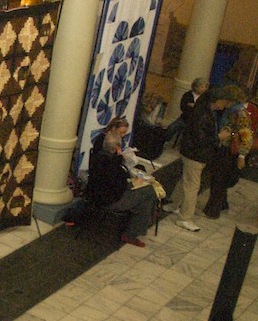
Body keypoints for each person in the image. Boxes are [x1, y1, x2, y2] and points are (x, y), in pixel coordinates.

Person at [84, 117, 158, 247]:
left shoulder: (99, 159)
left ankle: (140, 218)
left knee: (143, 200)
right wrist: (133, 183)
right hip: (109, 200)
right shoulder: (113, 165)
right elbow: (119, 187)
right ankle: (133, 231)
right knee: (149, 192)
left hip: (96, 195)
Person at [164, 87, 227, 231]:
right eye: (225, 101)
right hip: (195, 154)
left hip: (195, 153)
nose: (226, 104)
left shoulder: (207, 111)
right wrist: (219, 137)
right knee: (192, 186)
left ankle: (173, 204)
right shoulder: (203, 114)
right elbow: (200, 139)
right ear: (217, 101)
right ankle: (185, 218)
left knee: (186, 180)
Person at [203, 86, 252, 219]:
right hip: (223, 147)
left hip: (229, 150)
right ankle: (222, 204)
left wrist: (242, 155)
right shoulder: (230, 110)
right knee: (219, 178)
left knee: (219, 180)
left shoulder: (240, 113)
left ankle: (213, 210)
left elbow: (246, 135)